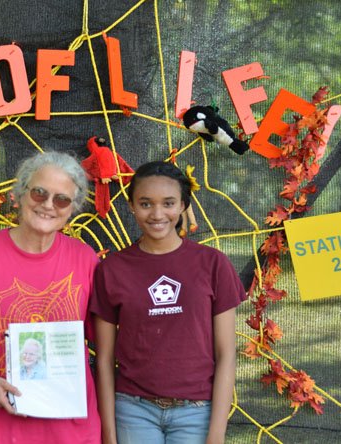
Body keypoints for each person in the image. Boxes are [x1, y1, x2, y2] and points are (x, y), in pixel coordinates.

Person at [0, 151, 101, 444]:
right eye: (39, 193)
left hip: (71, 428)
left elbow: (104, 341)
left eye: (62, 199)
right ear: (20, 193)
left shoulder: (86, 260)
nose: (48, 205)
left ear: (73, 208)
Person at [90, 161, 246, 444]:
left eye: (169, 203)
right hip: (133, 410)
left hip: (196, 411)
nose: (157, 214)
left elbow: (226, 355)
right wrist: (109, 434)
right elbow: (104, 359)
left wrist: (216, 433)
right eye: (146, 203)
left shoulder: (212, 264)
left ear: (183, 205)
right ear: (131, 205)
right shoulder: (111, 269)